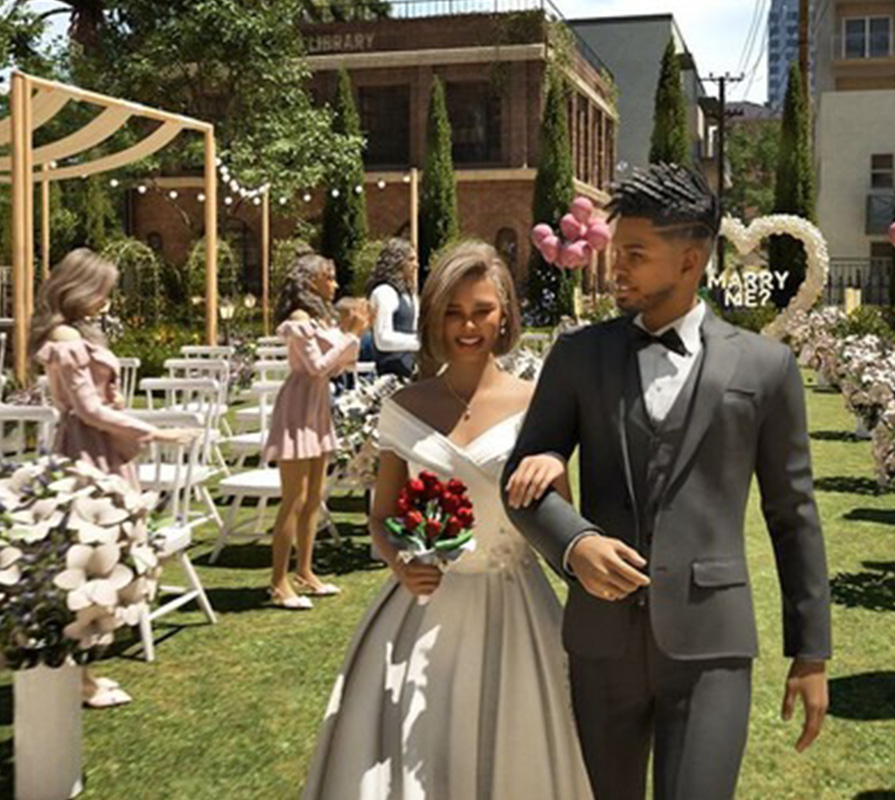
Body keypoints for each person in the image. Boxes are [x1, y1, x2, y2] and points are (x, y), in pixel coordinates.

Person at [502, 164, 831, 800]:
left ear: (690, 260)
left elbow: (793, 514)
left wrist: (811, 651)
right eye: (615, 250)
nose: (615, 267)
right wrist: (574, 544)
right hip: (601, 643)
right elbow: (522, 479)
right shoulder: (577, 356)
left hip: (713, 643)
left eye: (635, 254)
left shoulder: (766, 368)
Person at [302, 241, 594, 799]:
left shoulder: (538, 404)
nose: (469, 325)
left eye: (482, 310)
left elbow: (560, 524)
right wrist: (400, 561)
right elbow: (382, 515)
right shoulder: (403, 407)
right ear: (435, 317)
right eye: (455, 312)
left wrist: (556, 465)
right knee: (413, 758)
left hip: (517, 608)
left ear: (504, 314)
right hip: (422, 607)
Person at [31, 248, 198, 708]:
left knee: (101, 556)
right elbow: (88, 409)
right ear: (80, 287)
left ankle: (86, 673)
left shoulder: (75, 332)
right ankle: (80, 677)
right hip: (88, 449)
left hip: (99, 443)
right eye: (102, 289)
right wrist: (155, 430)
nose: (106, 298)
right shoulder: (65, 336)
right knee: (90, 560)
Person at [263, 254, 367, 610]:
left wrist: (352, 336)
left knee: (313, 497)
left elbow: (336, 367)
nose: (335, 285)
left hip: (317, 405)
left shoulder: (321, 321)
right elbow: (316, 365)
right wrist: (349, 336)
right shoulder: (298, 320)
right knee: (293, 498)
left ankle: (305, 571)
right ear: (311, 281)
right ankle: (278, 582)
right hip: (298, 406)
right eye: (329, 278)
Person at [365, 237, 420, 381]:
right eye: (411, 260)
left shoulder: (410, 295)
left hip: (411, 374)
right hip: (389, 377)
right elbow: (383, 339)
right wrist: (420, 341)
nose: (416, 265)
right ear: (397, 262)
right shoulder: (384, 292)